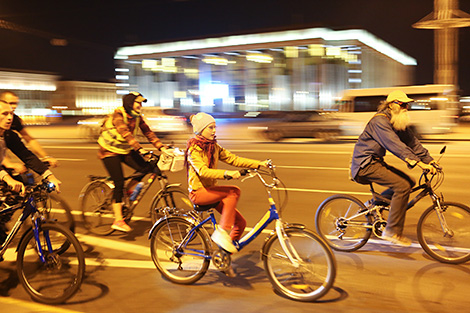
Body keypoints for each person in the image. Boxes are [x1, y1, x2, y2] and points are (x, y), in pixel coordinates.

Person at [350, 90, 438, 246]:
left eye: (407, 105)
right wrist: (418, 163)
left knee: (408, 181)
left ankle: (374, 204)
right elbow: (394, 145)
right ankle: (391, 231)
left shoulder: (395, 121)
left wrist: (429, 160)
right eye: (403, 104)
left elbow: (412, 142)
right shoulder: (379, 121)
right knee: (402, 187)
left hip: (375, 162)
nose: (406, 108)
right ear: (392, 105)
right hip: (364, 165)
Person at [185, 112, 268, 254]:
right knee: (233, 192)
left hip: (211, 191)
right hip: (198, 193)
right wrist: (227, 173)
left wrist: (259, 164)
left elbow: (233, 159)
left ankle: (224, 255)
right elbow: (203, 171)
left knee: (241, 223)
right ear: (201, 129)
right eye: (210, 128)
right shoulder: (194, 150)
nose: (214, 131)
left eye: (214, 127)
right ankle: (222, 231)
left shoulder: (213, 147)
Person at [98, 91, 166, 232]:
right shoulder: (118, 115)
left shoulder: (137, 117)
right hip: (109, 151)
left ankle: (124, 194)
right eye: (138, 102)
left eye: (141, 103)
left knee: (147, 167)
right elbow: (125, 133)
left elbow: (148, 132)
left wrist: (161, 147)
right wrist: (140, 149)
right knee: (119, 182)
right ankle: (118, 220)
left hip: (125, 150)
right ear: (130, 104)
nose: (140, 105)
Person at [0, 101, 61, 244]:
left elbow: (26, 155)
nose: (10, 117)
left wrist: (49, 175)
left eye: (11, 114)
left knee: (19, 191)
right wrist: (8, 179)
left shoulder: (9, 136)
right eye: (4, 113)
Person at [0, 91, 59, 167]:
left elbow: (28, 138)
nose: (14, 106)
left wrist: (45, 156)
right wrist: (8, 163)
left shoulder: (15, 120)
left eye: (16, 103)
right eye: (11, 103)